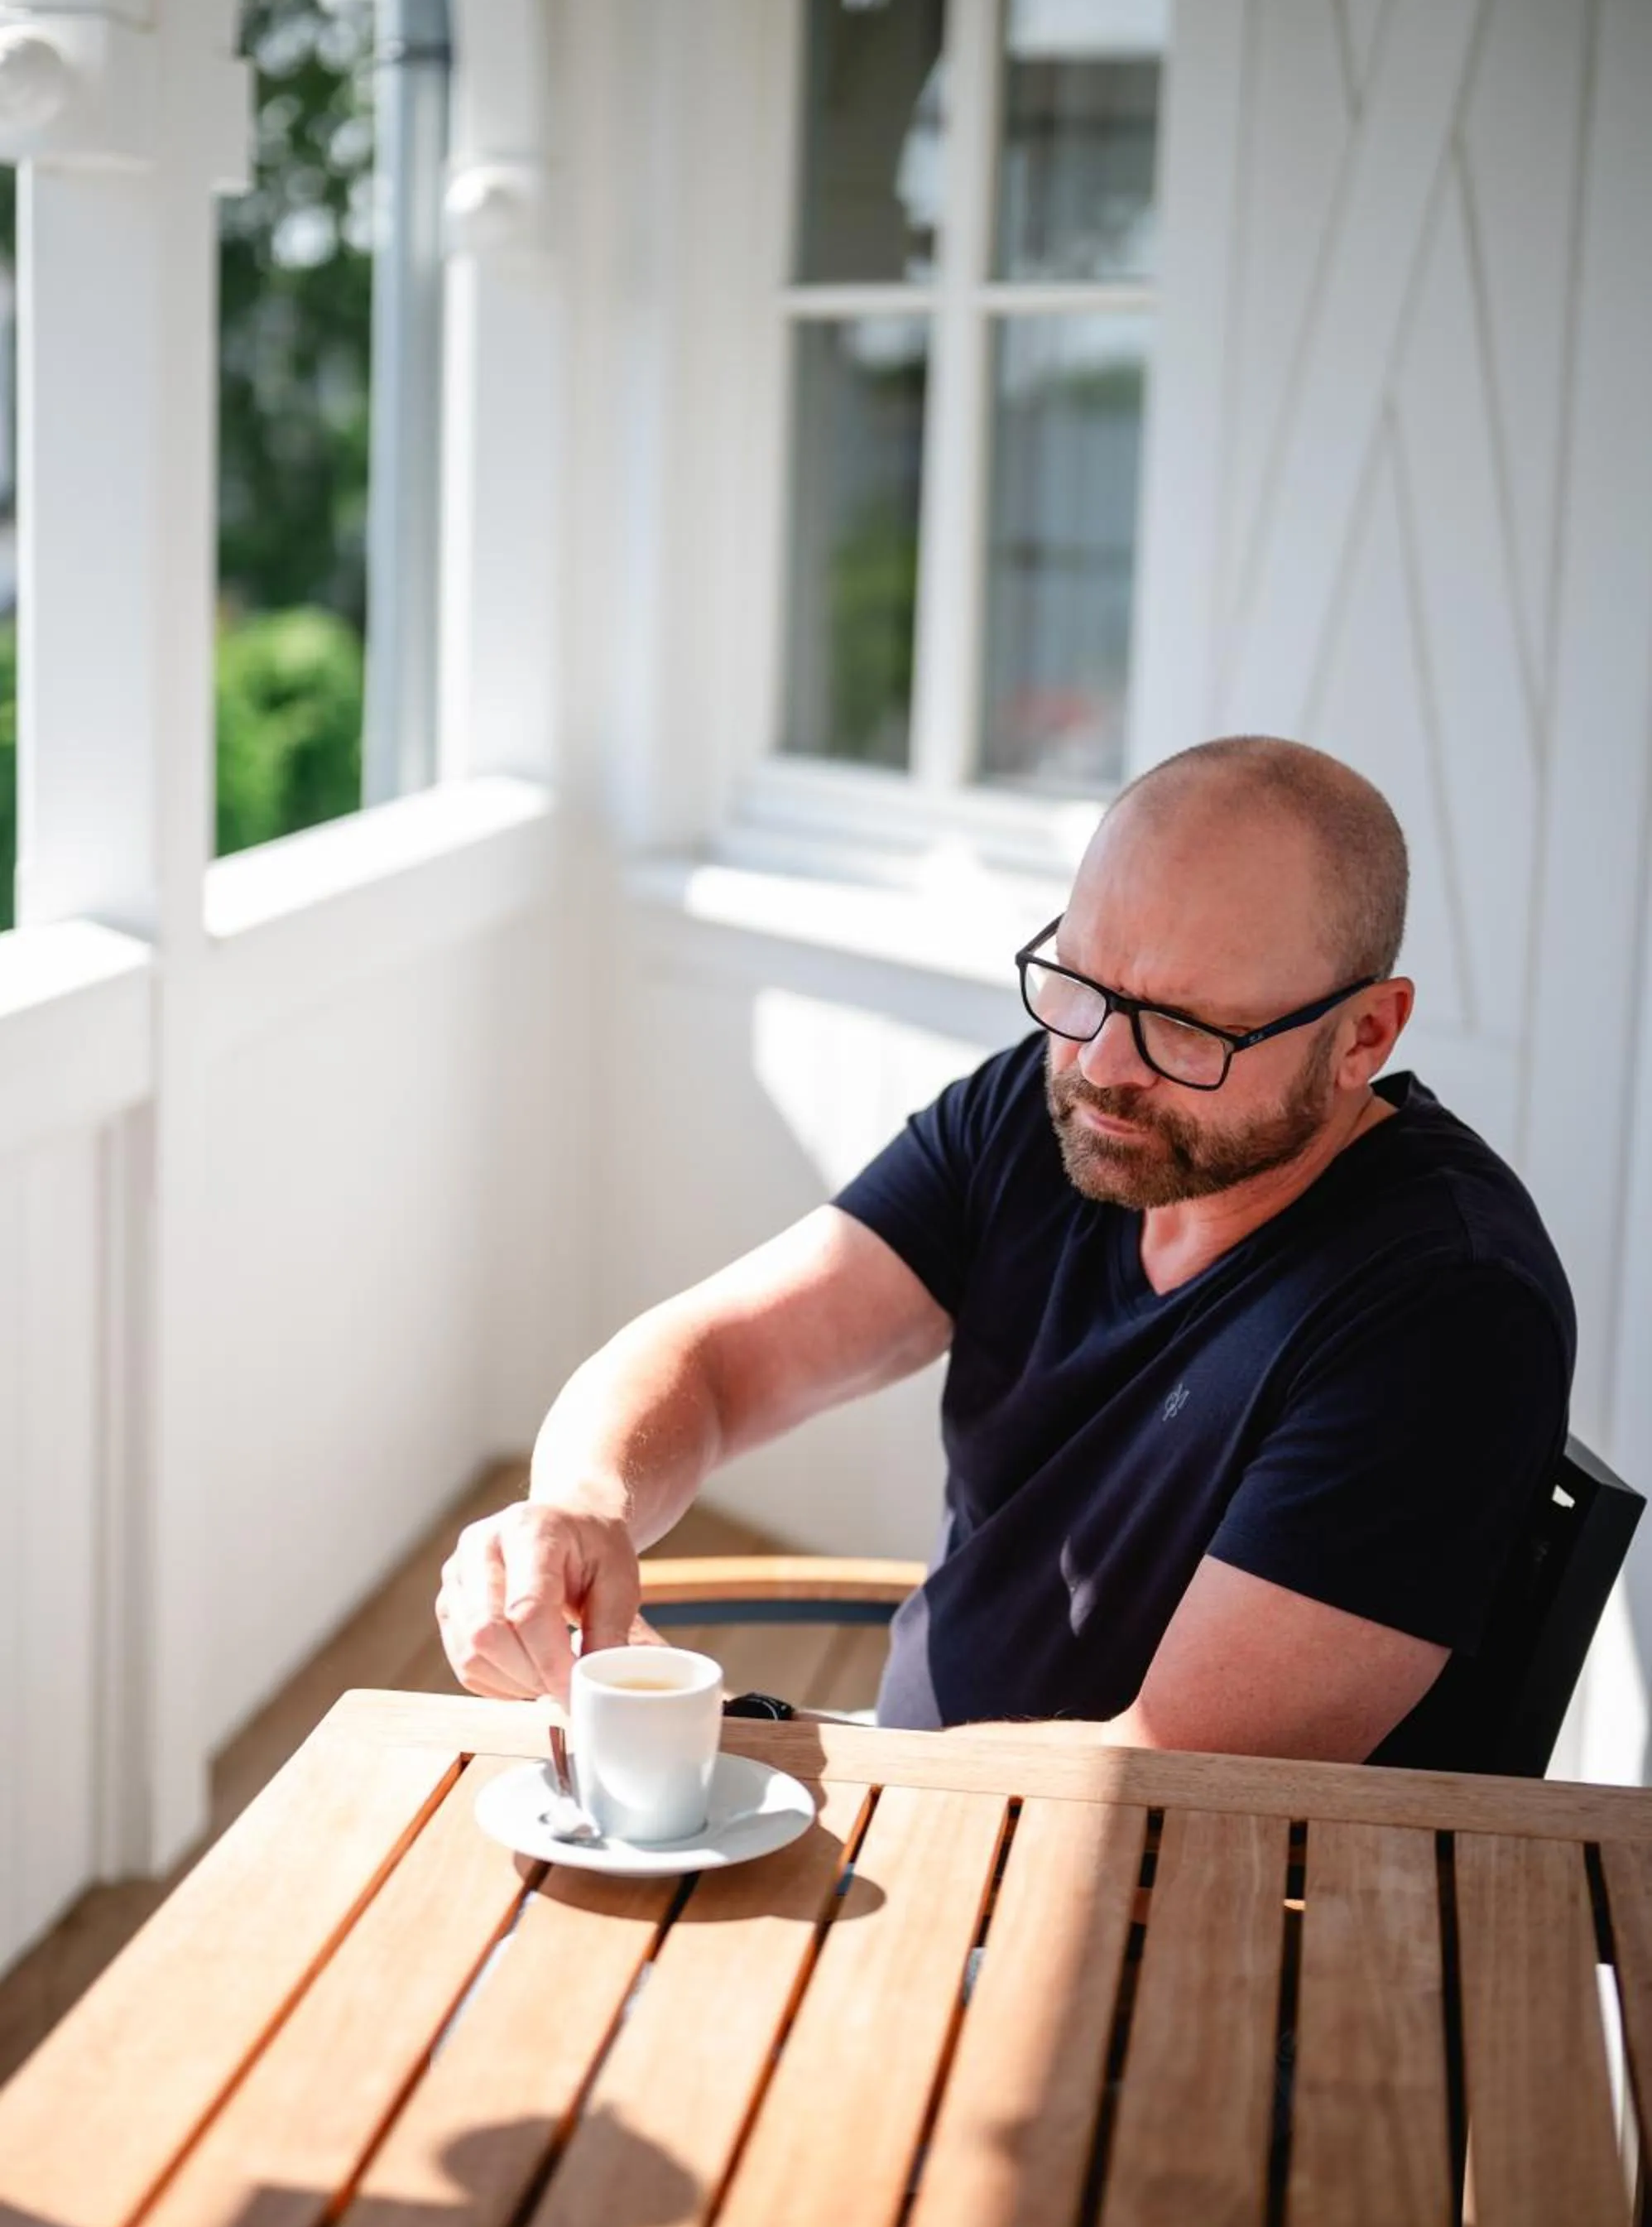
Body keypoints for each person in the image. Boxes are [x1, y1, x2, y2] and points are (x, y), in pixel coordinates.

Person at [436, 737, 1574, 1763]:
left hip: (1128, 1913)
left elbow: (1170, 1782)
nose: (1104, 1064)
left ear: (1362, 1035)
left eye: (1186, 1026)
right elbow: (722, 1359)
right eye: (1081, 983)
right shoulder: (1055, 1114)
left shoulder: (1448, 1310)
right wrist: (584, 1504)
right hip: (917, 1787)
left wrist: (761, 1761)